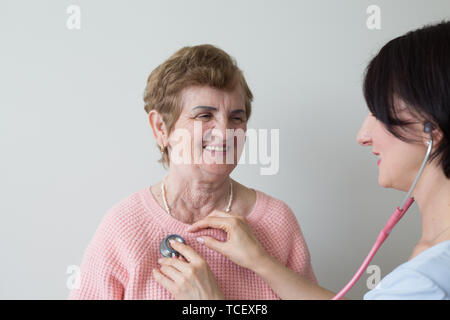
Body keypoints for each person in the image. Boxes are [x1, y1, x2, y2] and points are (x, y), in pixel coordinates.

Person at [158, 21, 450, 299]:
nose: (362, 135)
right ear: (161, 129)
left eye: (378, 112)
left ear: (430, 128)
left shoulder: (429, 279)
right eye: (204, 115)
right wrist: (262, 263)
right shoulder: (431, 260)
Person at [68, 44, 316, 300]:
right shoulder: (124, 227)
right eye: (205, 115)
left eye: (237, 118)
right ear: (160, 128)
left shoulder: (277, 223)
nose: (224, 132)